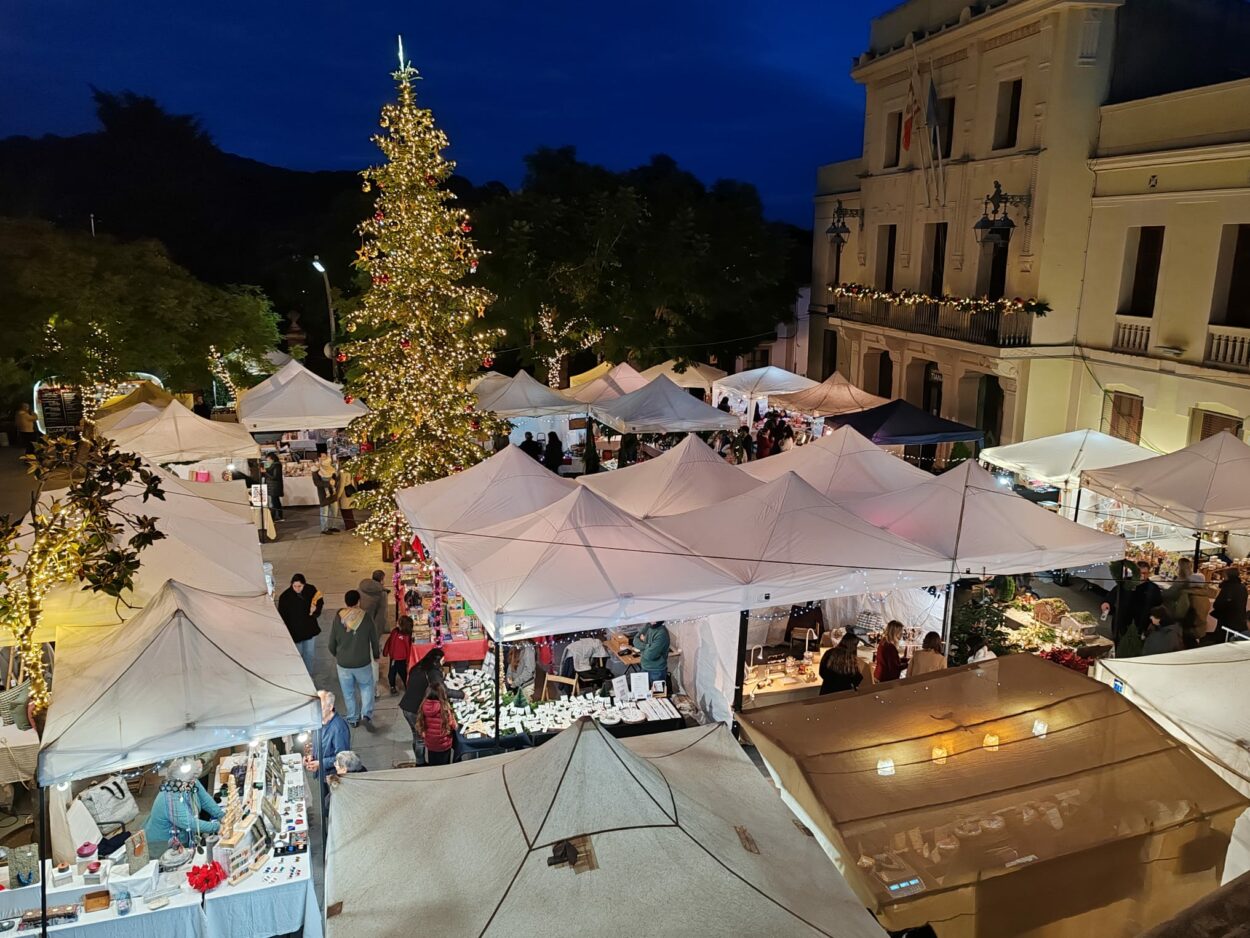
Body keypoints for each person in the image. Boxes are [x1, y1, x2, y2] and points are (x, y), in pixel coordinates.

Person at [144, 759, 223, 858]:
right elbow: (189, 823)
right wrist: (217, 827)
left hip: (181, 839)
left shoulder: (189, 780)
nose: (193, 782)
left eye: (194, 779)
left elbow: (205, 800)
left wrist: (221, 815)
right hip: (162, 845)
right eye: (190, 781)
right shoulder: (169, 797)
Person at [399, 647, 464, 764]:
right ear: (437, 660)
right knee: (420, 739)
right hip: (415, 709)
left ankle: (420, 762)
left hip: (406, 706)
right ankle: (420, 764)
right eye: (443, 660)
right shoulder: (433, 672)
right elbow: (443, 691)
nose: (444, 662)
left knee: (417, 736)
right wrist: (462, 694)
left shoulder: (418, 667)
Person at [327, 590, 379, 730]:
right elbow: (374, 639)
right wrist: (376, 655)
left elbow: (331, 643)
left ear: (346, 602)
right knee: (366, 687)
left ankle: (353, 718)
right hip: (362, 662)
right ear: (358, 601)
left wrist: (337, 654)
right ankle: (366, 715)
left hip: (343, 663)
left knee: (348, 692)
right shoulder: (366, 618)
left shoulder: (338, 618)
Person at [304, 691, 352, 809]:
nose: (315, 712)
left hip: (333, 778)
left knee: (333, 807)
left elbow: (342, 757)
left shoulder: (338, 728)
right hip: (323, 775)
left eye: (319, 708)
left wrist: (320, 763)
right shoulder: (319, 722)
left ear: (330, 707)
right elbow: (316, 742)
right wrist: (311, 755)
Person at [277, 573, 323, 675]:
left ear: (304, 584)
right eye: (295, 586)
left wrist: (315, 610)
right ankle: (300, 676)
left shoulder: (311, 590)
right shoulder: (285, 597)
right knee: (298, 656)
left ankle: (309, 675)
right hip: (295, 633)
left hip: (309, 630)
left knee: (309, 655)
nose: (297, 589)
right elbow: (282, 617)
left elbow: (319, 601)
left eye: (300, 586)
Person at [417, 686, 458, 766]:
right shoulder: (444, 708)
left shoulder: (423, 706)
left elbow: (421, 724)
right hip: (444, 744)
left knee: (433, 764)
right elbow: (453, 726)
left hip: (430, 744)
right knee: (444, 765)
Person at [1212, 568, 1249, 641]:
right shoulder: (1242, 587)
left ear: (1228, 576)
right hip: (1240, 619)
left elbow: (1218, 604)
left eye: (1225, 575)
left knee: (1224, 639)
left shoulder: (1227, 587)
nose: (1223, 576)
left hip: (1227, 620)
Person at [1130, 560, 1163, 638]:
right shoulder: (1127, 583)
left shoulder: (1154, 589)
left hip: (1143, 625)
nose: (1142, 576)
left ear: (1148, 573)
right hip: (1126, 623)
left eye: (1144, 573)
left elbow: (1158, 606)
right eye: (1139, 573)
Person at [312, 453, 344, 534]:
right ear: (319, 458)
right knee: (324, 513)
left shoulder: (331, 469)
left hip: (333, 493)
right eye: (322, 457)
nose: (324, 458)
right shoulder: (316, 471)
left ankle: (333, 526)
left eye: (325, 456)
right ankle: (324, 528)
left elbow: (336, 479)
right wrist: (328, 483)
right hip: (324, 494)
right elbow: (317, 483)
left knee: (335, 511)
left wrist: (336, 479)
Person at [382, 615, 414, 693]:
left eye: (399, 622)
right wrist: (385, 651)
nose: (397, 622)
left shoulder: (407, 636)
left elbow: (408, 649)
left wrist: (408, 660)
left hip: (402, 660)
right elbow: (389, 641)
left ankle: (408, 686)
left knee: (404, 674)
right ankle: (392, 686)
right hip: (393, 658)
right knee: (391, 674)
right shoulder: (394, 631)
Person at [634, 621, 671, 689]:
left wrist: (642, 645)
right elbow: (635, 640)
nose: (652, 621)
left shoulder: (662, 633)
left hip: (656, 671)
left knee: (657, 695)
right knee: (643, 693)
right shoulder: (648, 625)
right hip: (644, 667)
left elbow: (650, 655)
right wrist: (648, 646)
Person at [357, 569, 390, 639]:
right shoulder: (382, 594)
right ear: (382, 580)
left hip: (357, 620)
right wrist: (377, 635)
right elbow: (381, 616)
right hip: (369, 623)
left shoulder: (362, 587)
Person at [263, 452, 285, 522]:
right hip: (272, 486)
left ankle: (274, 517)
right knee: (276, 501)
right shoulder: (271, 465)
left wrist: (265, 472)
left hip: (275, 486)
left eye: (268, 459)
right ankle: (279, 516)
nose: (267, 461)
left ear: (273, 459)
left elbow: (275, 477)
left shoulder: (277, 465)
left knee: (274, 502)